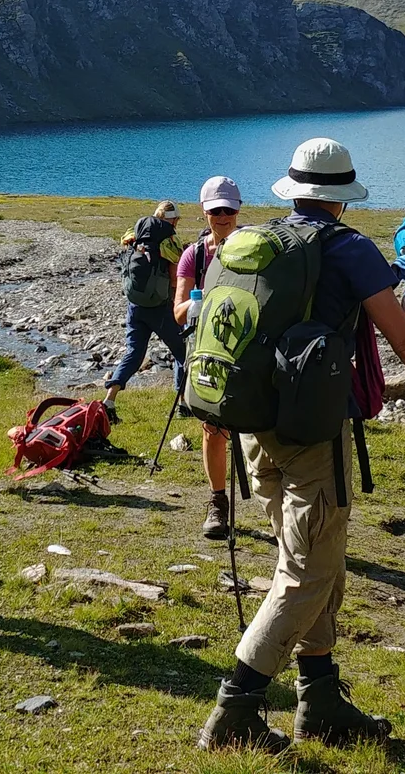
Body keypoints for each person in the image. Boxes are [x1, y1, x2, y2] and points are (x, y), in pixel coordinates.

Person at [197, 138, 405, 754]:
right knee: (307, 571)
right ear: (342, 197)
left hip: (257, 430)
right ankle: (234, 709)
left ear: (294, 192)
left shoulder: (254, 243)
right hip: (316, 434)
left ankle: (320, 700)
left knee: (317, 562)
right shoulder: (349, 250)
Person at [172, 175, 242, 540]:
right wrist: (201, 301)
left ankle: (275, 506)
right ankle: (218, 503)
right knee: (213, 429)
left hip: (246, 351)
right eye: (216, 209)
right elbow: (178, 313)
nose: (223, 215)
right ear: (204, 212)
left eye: (229, 208)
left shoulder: (254, 248)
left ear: (239, 209)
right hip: (208, 353)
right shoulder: (194, 255)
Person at [103, 200, 184, 418]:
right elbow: (176, 279)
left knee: (134, 353)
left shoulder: (134, 235)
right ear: (173, 220)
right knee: (181, 351)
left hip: (135, 306)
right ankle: (183, 403)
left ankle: (109, 401)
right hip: (160, 308)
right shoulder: (169, 242)